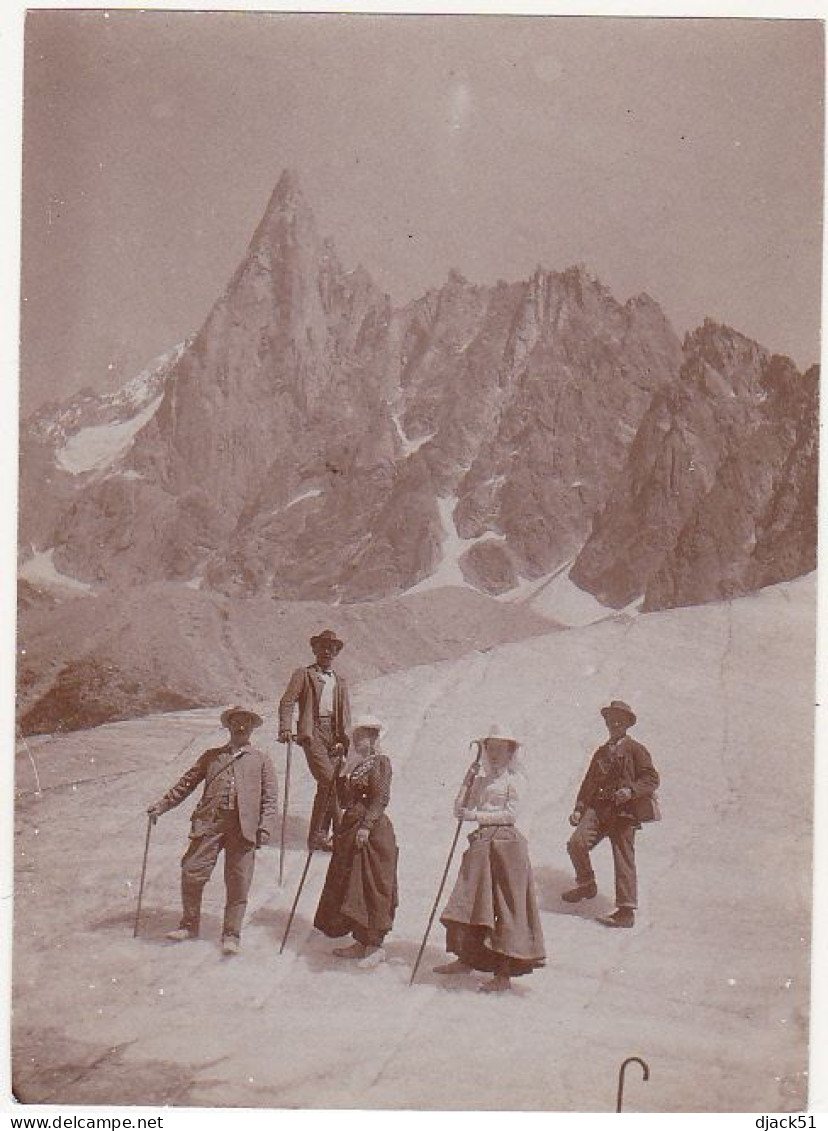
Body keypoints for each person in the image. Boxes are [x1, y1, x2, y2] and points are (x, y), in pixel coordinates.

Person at [147, 706, 279, 955]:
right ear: (228, 726)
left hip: (244, 829)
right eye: (236, 723)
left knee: (239, 881)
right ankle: (189, 925)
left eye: (246, 724)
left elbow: (270, 798)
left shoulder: (261, 759)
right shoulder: (211, 756)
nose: (241, 728)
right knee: (192, 871)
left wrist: (265, 827)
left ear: (252, 728)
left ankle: (231, 934)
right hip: (210, 823)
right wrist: (162, 806)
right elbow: (185, 784)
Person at [435, 727, 546, 993]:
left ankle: (503, 974)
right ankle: (466, 959)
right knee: (471, 903)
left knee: (503, 908)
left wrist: (477, 817)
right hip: (481, 846)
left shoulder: (515, 780)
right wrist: (467, 781)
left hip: (506, 848)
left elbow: (510, 815)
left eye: (500, 749)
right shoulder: (482, 781)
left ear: (511, 751)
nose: (495, 754)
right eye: (491, 748)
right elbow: (459, 810)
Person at [562, 700, 659, 928]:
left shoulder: (636, 749)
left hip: (624, 812)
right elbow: (588, 783)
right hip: (598, 809)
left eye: (619, 720)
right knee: (576, 843)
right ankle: (586, 884)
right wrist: (579, 808)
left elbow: (652, 779)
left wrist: (631, 790)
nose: (614, 723)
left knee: (623, 859)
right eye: (610, 719)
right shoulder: (601, 752)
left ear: (627, 724)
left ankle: (626, 912)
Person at [313, 714, 398, 970]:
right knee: (353, 885)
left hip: (371, 832)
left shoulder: (380, 763)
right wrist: (338, 769)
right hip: (350, 828)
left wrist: (367, 826)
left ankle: (375, 945)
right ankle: (360, 941)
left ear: (373, 739)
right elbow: (342, 798)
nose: (357, 740)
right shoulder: (355, 766)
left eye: (362, 736)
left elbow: (380, 798)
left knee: (372, 884)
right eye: (356, 735)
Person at [278, 629, 351, 852]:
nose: (328, 651)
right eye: (323, 646)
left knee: (329, 785)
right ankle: (341, 836)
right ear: (315, 649)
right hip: (313, 731)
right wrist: (285, 728)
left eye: (332, 648)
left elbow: (345, 713)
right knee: (329, 782)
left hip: (334, 735)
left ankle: (317, 837)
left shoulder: (340, 681)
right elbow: (288, 701)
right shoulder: (304, 674)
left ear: (337, 652)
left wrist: (343, 739)